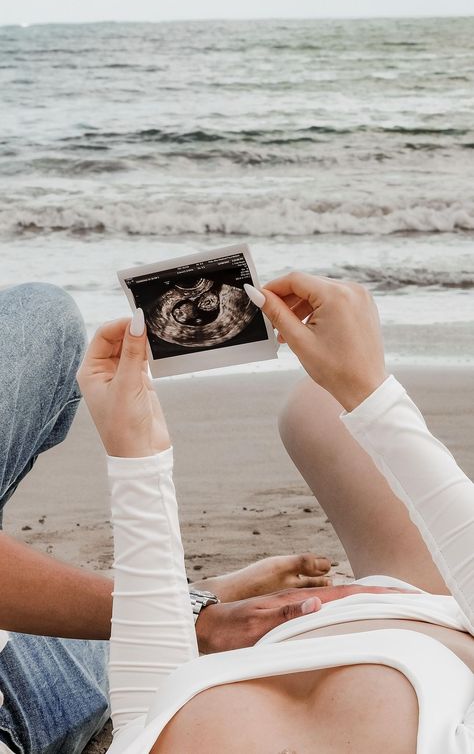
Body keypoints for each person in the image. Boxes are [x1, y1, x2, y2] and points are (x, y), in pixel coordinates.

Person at [77, 271, 474, 753]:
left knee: (316, 405)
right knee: (323, 402)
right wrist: (370, 394)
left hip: (315, 627)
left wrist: (136, 454)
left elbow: (149, 715)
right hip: (442, 610)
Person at [0, 282, 340, 754]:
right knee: (44, 316)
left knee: (45, 318)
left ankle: (188, 602)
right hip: (22, 701)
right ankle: (198, 598)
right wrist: (199, 620)